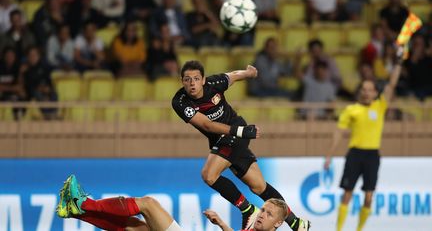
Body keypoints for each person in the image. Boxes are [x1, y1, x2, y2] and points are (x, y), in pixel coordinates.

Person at [171, 60, 310, 231]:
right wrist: (239, 131)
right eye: (187, 79)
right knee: (259, 186)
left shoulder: (214, 83)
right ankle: (296, 223)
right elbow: (206, 125)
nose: (192, 83)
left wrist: (249, 73)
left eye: (196, 78)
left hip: (234, 135)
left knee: (209, 175)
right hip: (232, 135)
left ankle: (248, 210)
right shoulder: (180, 101)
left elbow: (233, 76)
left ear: (204, 80)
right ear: (182, 81)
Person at [324, 44, 404, 231]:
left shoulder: (380, 106)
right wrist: (329, 155)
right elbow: (339, 133)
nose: (367, 92)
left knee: (369, 197)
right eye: (364, 89)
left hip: (372, 155)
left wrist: (399, 61)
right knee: (347, 194)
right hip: (355, 154)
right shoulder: (351, 110)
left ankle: (359, 229)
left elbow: (392, 84)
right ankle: (339, 229)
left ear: (376, 93)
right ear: (361, 91)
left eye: (370, 90)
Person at [56, 174, 291, 231]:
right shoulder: (253, 226)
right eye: (264, 209)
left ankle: (84, 204)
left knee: (148, 204)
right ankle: (73, 211)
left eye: (269, 215)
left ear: (279, 224)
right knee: (135, 226)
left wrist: (221, 225)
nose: (262, 214)